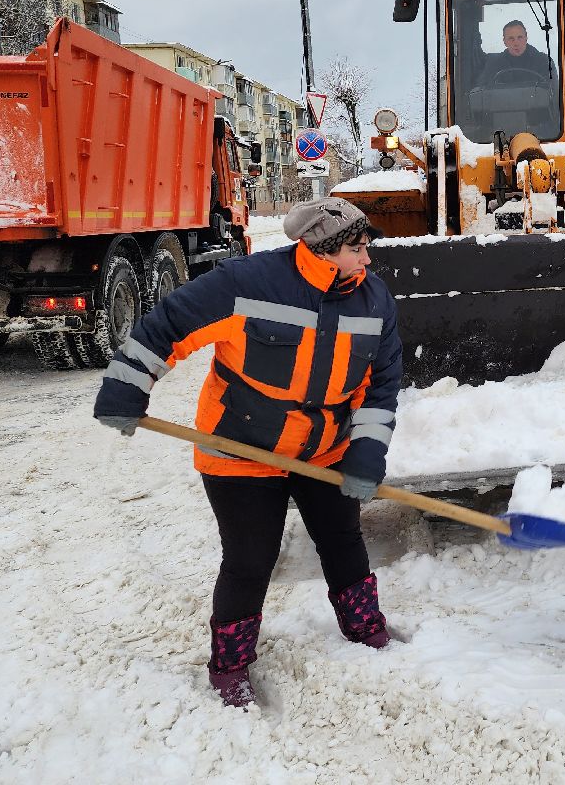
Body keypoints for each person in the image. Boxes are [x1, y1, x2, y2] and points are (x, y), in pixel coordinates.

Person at [92, 197, 403, 709]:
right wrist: (127, 389)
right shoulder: (247, 283)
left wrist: (367, 454)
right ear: (323, 250)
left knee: (343, 540)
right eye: (356, 248)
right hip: (240, 448)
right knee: (250, 558)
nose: (367, 260)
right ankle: (231, 663)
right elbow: (168, 326)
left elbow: (381, 385)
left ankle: (366, 626)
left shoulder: (374, 301)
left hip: (323, 448)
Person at [482, 19, 554, 85]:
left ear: (526, 38)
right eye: (511, 38)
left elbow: (553, 92)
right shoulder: (494, 64)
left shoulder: (544, 61)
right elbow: (483, 90)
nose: (516, 43)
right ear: (505, 42)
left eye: (520, 37)